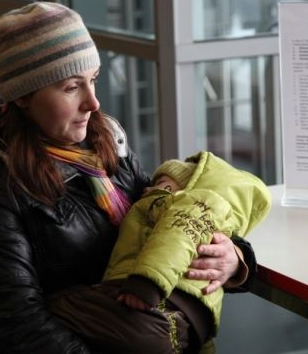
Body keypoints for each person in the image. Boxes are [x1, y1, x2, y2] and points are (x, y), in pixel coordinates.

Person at [0, 1, 259, 353]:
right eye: (71, 87)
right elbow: (17, 323)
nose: (93, 103)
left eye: (93, 80)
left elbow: (161, 216)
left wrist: (234, 259)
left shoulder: (105, 138)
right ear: (22, 96)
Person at [48, 151, 271, 353]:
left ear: (188, 189)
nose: (146, 189)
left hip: (155, 304)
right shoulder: (202, 212)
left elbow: (175, 237)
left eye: (162, 184)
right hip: (188, 325)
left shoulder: (186, 203)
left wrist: (146, 285)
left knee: (59, 307)